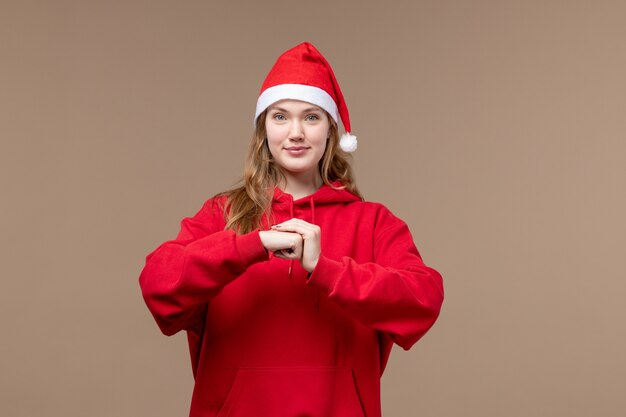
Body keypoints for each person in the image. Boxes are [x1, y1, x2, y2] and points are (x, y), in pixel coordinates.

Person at [139, 42, 444, 417]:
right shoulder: (223, 213)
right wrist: (251, 245)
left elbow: (423, 299)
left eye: (311, 117)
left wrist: (326, 269)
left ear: (331, 131)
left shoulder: (373, 222)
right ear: (263, 128)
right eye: (280, 117)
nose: (295, 132)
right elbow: (157, 282)